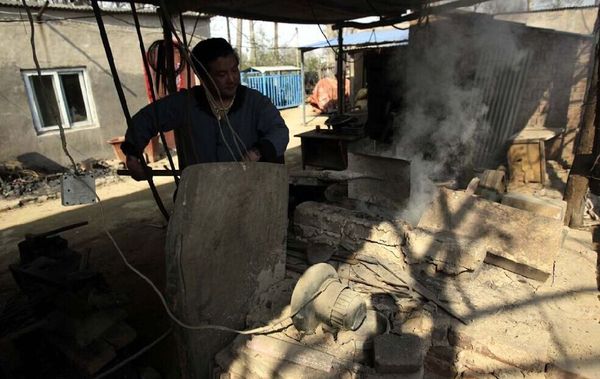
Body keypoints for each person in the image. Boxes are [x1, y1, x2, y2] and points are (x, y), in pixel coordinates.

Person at [121, 38, 290, 180]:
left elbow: (279, 132)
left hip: (247, 190)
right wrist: (132, 155)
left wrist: (257, 152)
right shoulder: (185, 103)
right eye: (221, 75)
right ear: (202, 76)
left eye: (234, 70)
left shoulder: (255, 102)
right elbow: (146, 120)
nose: (232, 79)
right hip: (200, 192)